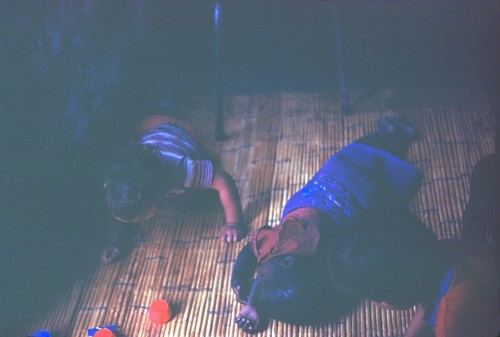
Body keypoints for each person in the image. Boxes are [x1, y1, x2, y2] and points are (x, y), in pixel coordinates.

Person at [231, 117, 499, 336]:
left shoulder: (453, 324)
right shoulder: (444, 253)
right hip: (340, 177)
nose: (260, 274)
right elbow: (428, 293)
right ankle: (393, 135)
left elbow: (435, 305)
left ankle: (394, 136)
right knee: (368, 154)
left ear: (391, 303)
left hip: (350, 185)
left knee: (377, 159)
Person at [101, 115, 245, 264]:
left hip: (182, 134)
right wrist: (115, 242)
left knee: (205, 178)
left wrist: (233, 223)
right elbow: (119, 214)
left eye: (138, 218)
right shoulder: (116, 183)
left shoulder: (183, 171)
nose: (133, 221)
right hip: (150, 134)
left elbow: (224, 182)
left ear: (156, 198)